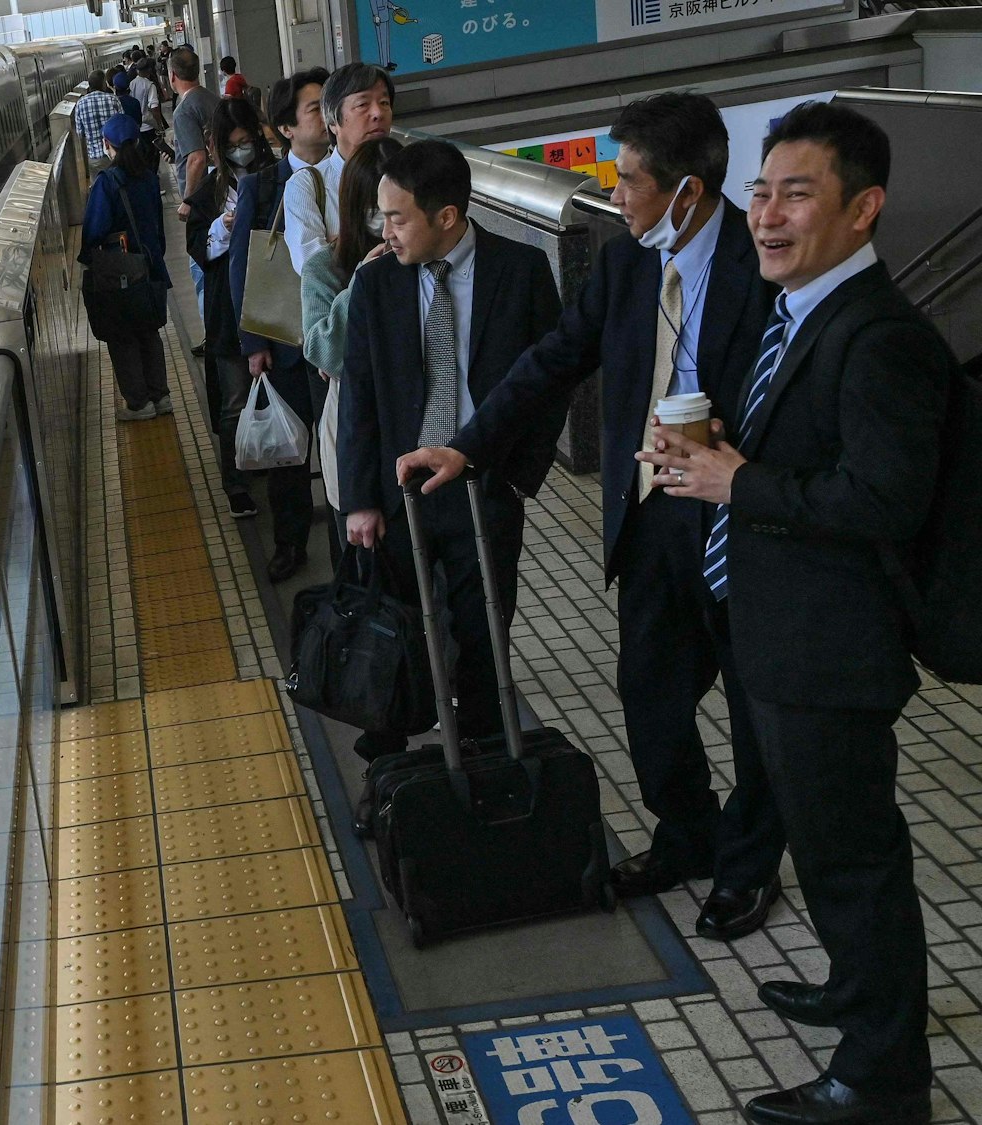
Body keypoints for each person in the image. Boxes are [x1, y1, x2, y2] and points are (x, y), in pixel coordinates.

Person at [396, 93, 786, 941]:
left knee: (759, 709)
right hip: (650, 515)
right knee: (649, 694)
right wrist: (467, 445)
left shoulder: (764, 268)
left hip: (735, 518)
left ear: (687, 190)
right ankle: (687, 835)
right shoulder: (625, 265)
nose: (617, 195)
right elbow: (551, 361)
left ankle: (749, 864)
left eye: (632, 180)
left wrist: (741, 452)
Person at [639, 100, 950, 1125]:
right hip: (779, 635)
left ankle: (880, 1077)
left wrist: (739, 486)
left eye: (796, 193)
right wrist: (714, 455)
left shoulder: (879, 338)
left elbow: (882, 499)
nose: (766, 216)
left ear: (862, 210)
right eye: (759, 192)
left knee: (852, 860)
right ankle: (854, 996)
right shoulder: (798, 312)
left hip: (831, 650)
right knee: (826, 849)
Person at [338, 139, 563, 758]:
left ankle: (484, 760)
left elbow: (552, 379)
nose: (384, 231)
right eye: (381, 216)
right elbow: (358, 394)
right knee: (393, 638)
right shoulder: (378, 282)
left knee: (485, 636)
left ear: (447, 217)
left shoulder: (519, 272)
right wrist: (359, 499)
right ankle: (388, 774)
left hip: (481, 484)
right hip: (396, 489)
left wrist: (518, 476)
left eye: (396, 217)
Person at [229, 69, 332, 581]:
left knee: (341, 448)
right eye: (316, 108)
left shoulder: (352, 176)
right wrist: (253, 341)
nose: (327, 115)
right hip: (286, 340)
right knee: (289, 456)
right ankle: (290, 544)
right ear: (287, 128)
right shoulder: (263, 185)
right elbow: (242, 267)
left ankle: (348, 545)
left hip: (336, 342)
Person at [303, 136, 403, 570]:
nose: (385, 226)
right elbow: (324, 349)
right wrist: (362, 283)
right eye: (374, 210)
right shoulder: (327, 267)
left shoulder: (429, 261)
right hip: (355, 445)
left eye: (396, 211)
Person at [187, 97, 276, 519]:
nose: (243, 150)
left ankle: (275, 463)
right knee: (235, 399)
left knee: (280, 392)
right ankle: (236, 481)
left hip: (276, 302)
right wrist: (222, 230)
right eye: (234, 144)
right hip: (230, 309)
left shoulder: (276, 176)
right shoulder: (212, 192)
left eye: (248, 141)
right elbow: (196, 246)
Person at [81, 113, 172, 422]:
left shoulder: (108, 182)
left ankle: (139, 403)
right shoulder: (148, 178)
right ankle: (161, 397)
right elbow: (159, 226)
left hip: (121, 272)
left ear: (108, 145)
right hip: (150, 267)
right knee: (149, 332)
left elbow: (94, 230)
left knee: (123, 337)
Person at [316, 63, 395, 237]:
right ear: (332, 123)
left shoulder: (408, 172)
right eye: (362, 105)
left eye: (384, 102)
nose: (378, 113)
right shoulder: (309, 185)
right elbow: (311, 260)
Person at [169, 48, 217, 329]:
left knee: (199, 265)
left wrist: (189, 199)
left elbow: (196, 158)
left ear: (172, 75)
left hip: (205, 197)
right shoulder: (212, 98)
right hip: (222, 188)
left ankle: (211, 333)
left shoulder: (184, 110)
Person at [74, 70, 126, 171]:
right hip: (115, 155)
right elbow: (122, 126)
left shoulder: (80, 104)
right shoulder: (113, 99)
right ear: (103, 83)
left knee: (98, 185)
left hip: (95, 158)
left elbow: (80, 133)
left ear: (89, 85)